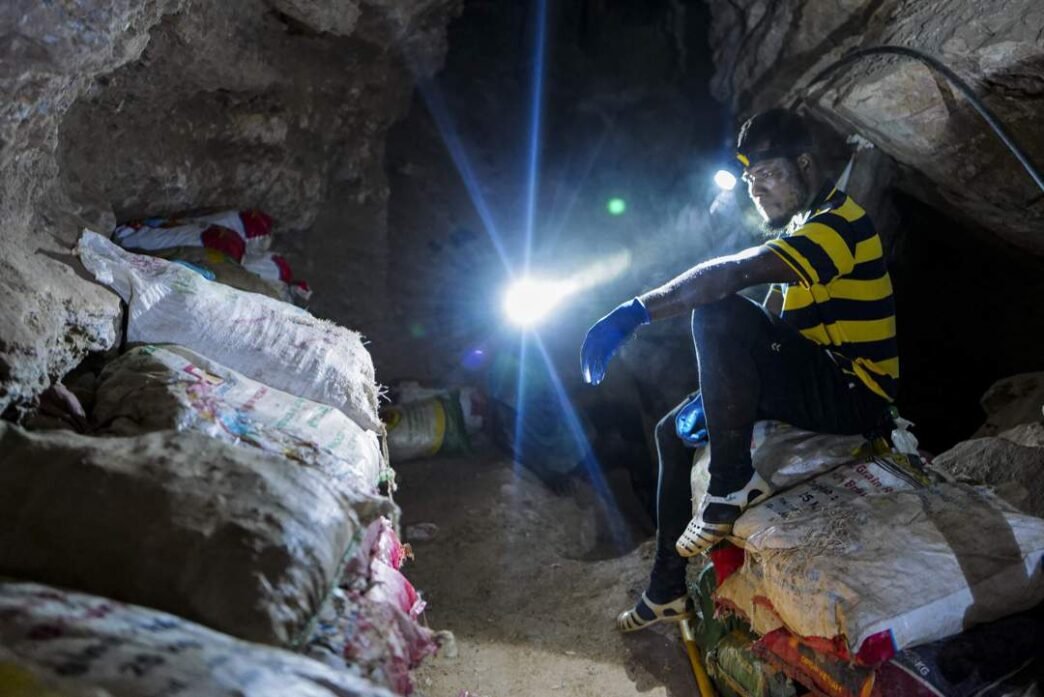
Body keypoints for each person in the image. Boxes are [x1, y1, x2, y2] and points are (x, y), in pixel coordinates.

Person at [579, 108, 899, 632]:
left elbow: (733, 275)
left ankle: (732, 482)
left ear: (805, 165)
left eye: (770, 175)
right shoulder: (800, 225)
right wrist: (725, 396)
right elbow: (773, 331)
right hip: (812, 377)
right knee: (671, 431)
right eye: (751, 180)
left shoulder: (839, 225)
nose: (758, 190)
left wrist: (634, 311)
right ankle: (666, 590)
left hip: (854, 391)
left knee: (719, 306)